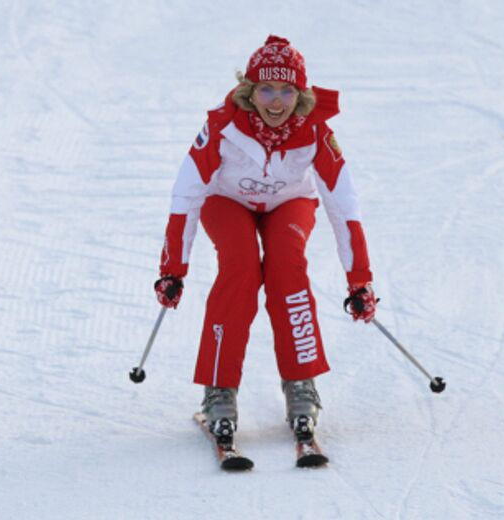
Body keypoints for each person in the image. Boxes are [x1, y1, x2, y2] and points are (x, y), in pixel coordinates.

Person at [153, 35, 377, 440]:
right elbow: (187, 192)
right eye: (267, 89)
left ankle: (300, 381)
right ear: (249, 90)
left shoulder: (315, 131)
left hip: (289, 203)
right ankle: (219, 388)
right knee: (239, 266)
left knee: (287, 266)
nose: (276, 102)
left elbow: (344, 204)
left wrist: (359, 279)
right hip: (227, 200)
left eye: (287, 91)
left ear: (301, 93)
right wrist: (173, 269)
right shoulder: (222, 126)